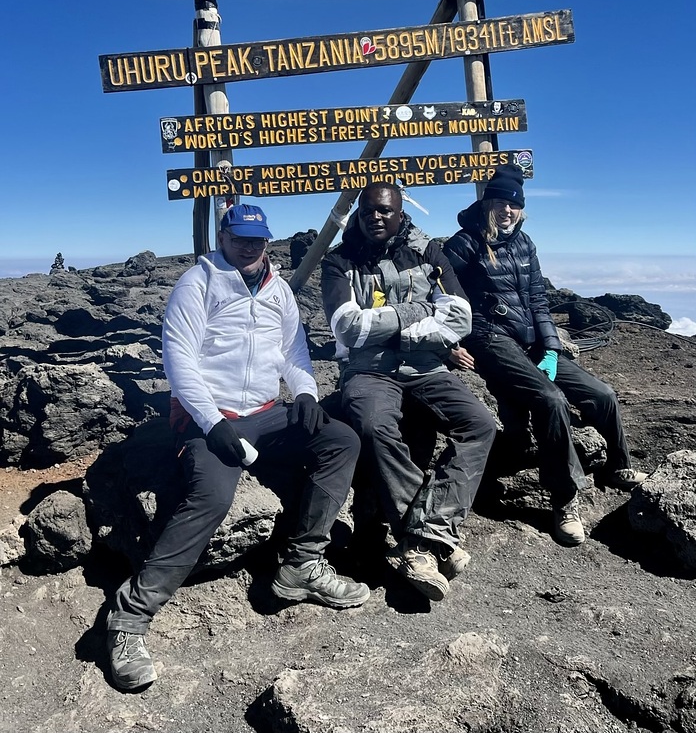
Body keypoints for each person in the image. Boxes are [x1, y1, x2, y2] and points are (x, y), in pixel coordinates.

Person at [106, 204, 369, 691]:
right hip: (209, 419)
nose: (250, 247)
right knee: (212, 497)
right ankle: (129, 619)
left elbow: (293, 352)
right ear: (223, 237)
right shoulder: (197, 284)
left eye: (258, 239)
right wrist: (211, 423)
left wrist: (306, 394)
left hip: (266, 411)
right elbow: (178, 361)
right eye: (240, 238)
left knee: (342, 439)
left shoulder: (278, 289)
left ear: (267, 241)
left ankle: (301, 563)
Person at [443, 164, 648, 546]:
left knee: (602, 393)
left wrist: (551, 348)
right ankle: (564, 501)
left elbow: (539, 300)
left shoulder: (525, 243)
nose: (507, 210)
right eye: (501, 202)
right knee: (549, 399)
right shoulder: (464, 243)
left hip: (531, 339)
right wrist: (448, 344)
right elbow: (439, 297)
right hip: (488, 339)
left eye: (514, 205)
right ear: (487, 203)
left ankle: (618, 466)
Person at [321, 182, 497, 601]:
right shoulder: (339, 261)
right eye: (367, 212)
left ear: (401, 214)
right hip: (368, 372)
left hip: (427, 369)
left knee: (479, 424)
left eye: (385, 211)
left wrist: (392, 333)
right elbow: (349, 327)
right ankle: (430, 542)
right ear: (358, 216)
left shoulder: (429, 253)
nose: (376, 218)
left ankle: (424, 538)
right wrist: (419, 311)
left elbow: (460, 320)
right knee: (373, 425)